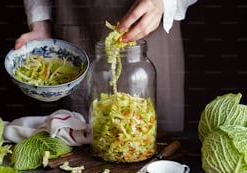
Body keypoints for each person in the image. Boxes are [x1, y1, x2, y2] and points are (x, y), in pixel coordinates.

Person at [15, 0, 197, 132]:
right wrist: (39, 23)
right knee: (76, 139)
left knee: (160, 142)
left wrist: (163, 2)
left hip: (151, 36)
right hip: (76, 29)